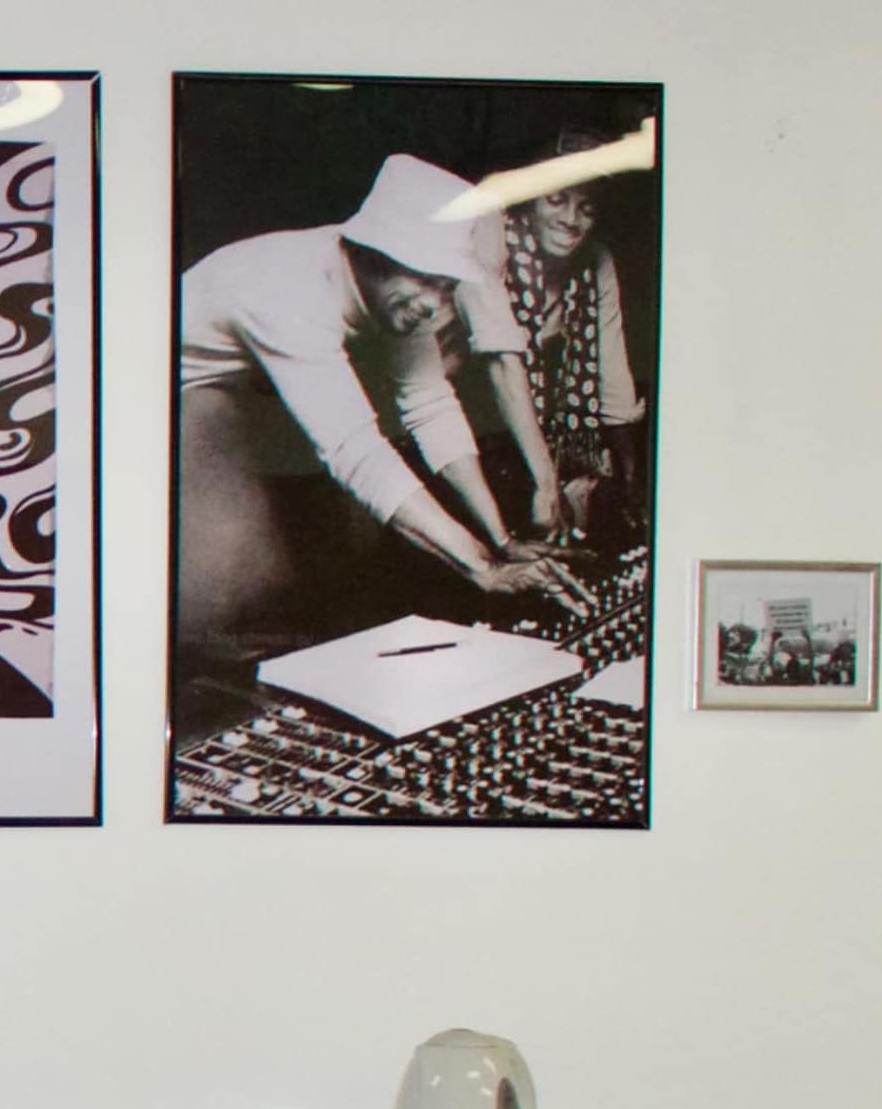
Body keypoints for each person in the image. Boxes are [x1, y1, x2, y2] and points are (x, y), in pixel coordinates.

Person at [171, 152, 576, 729]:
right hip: (161, 392)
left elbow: (430, 408)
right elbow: (356, 453)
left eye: (445, 287)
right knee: (238, 583)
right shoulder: (289, 292)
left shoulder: (401, 297)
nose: (434, 305)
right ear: (367, 252)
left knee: (350, 543)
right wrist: (481, 569)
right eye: (423, 281)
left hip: (254, 396)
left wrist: (501, 539)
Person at [486, 135, 648, 544]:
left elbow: (613, 375)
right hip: (480, 434)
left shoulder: (597, 262)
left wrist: (631, 481)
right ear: (529, 200)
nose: (570, 219)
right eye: (556, 200)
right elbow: (499, 369)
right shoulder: (492, 249)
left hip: (548, 442)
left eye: (586, 207)